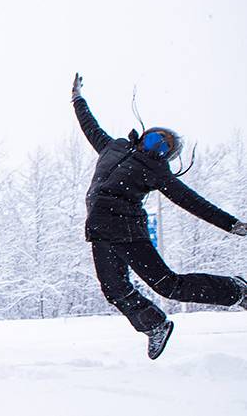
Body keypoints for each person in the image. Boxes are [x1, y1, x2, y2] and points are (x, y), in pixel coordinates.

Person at [71, 73, 247, 360]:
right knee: (115, 290)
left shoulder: (156, 172)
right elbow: (90, 126)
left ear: (166, 157)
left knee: (167, 284)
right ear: (143, 135)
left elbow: (192, 201)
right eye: (155, 138)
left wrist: (232, 224)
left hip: (127, 229)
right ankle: (155, 325)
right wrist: (77, 99)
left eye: (164, 147)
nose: (155, 147)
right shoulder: (113, 146)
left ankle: (236, 290)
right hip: (101, 231)